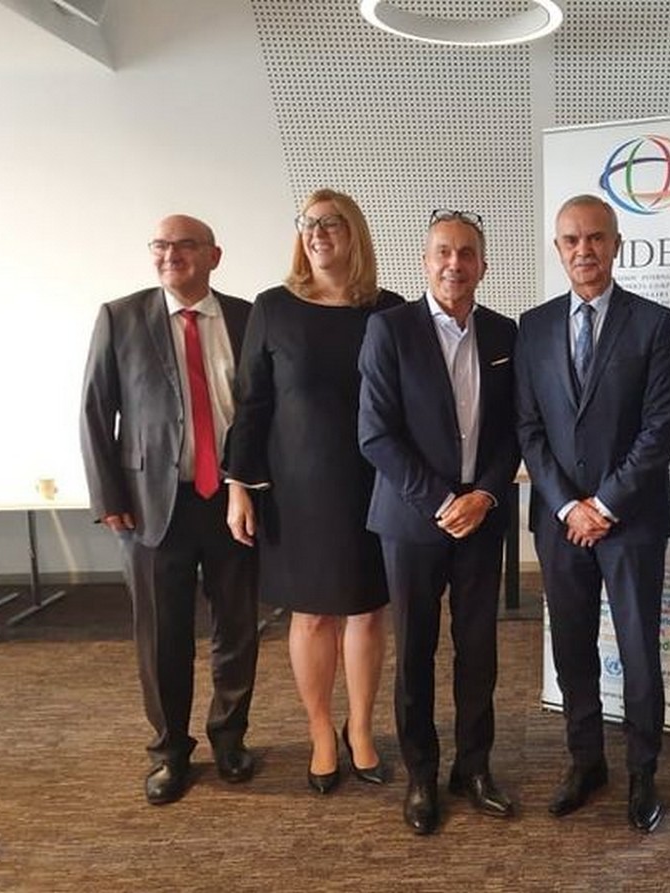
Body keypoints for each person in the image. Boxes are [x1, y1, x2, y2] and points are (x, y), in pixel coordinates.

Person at [225, 189, 403, 794]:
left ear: (355, 234)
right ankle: (322, 730)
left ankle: (361, 729)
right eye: (308, 224)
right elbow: (251, 403)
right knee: (311, 614)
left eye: (331, 223)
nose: (318, 232)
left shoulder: (388, 309)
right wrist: (238, 486)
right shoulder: (273, 307)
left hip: (372, 483)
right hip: (296, 489)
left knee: (367, 611)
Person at [515, 194, 670, 833]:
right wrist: (567, 505)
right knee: (571, 646)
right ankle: (586, 763)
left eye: (595, 238)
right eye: (571, 240)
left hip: (630, 519)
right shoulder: (534, 326)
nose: (583, 250)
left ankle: (643, 771)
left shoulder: (653, 323)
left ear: (616, 244)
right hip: (560, 522)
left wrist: (605, 504)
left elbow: (660, 427)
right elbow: (529, 428)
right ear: (558, 249)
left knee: (638, 649)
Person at [80, 214, 260, 805]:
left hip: (233, 499)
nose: (170, 254)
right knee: (162, 636)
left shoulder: (247, 317)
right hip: (150, 506)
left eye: (185, 245)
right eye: (160, 245)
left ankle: (229, 738)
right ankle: (169, 752)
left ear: (214, 255)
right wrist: (108, 496)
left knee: (237, 629)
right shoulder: (121, 317)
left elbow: (262, 409)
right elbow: (95, 410)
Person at [358, 209, 519, 835]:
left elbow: (514, 430)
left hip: (481, 518)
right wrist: (440, 500)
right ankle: (421, 775)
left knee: (478, 652)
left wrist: (485, 495)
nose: (455, 264)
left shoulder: (504, 333)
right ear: (425, 262)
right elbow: (376, 433)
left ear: (483, 265)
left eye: (467, 253)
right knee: (415, 652)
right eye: (443, 253)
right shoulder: (389, 330)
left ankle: (473, 769)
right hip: (412, 520)